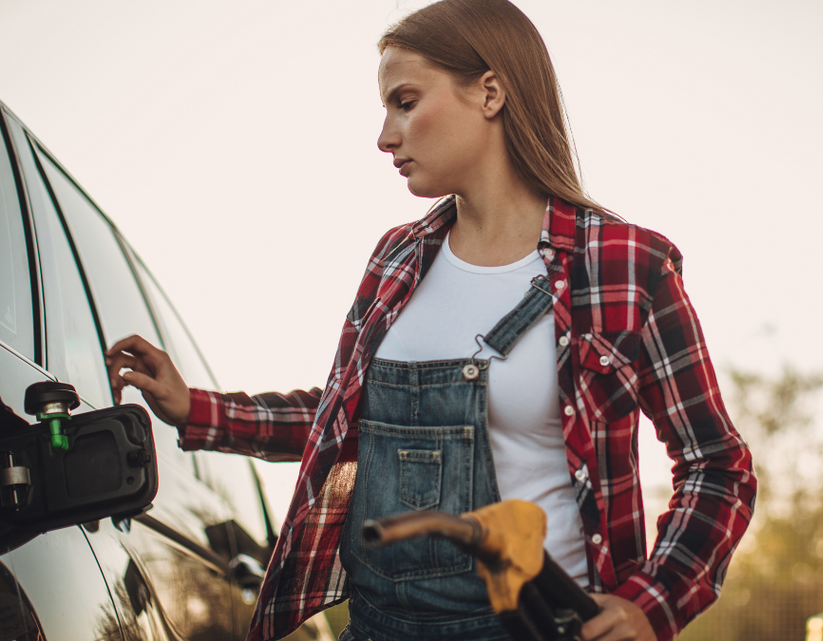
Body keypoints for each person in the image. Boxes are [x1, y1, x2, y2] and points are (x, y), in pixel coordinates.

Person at [105, 1, 756, 640]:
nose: (385, 135)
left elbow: (717, 467)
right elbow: (349, 421)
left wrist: (653, 601)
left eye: (405, 102)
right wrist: (196, 408)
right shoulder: (397, 258)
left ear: (491, 93)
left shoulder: (623, 266)